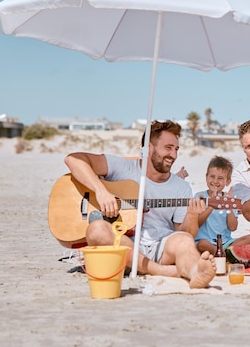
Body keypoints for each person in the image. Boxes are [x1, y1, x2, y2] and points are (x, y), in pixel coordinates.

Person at [64, 119, 216, 288]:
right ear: (149, 148)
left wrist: (193, 215)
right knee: (96, 229)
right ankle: (160, 271)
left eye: (176, 149)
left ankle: (196, 272)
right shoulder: (123, 167)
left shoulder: (181, 187)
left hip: (160, 245)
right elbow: (73, 159)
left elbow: (185, 233)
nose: (173, 155)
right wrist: (101, 191)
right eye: (168, 148)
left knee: (185, 241)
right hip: (122, 243)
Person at [194, 156, 238, 255]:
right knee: (202, 244)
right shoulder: (199, 196)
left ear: (228, 181)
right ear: (206, 177)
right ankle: (222, 255)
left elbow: (233, 227)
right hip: (205, 242)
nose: (215, 181)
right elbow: (197, 223)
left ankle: (222, 252)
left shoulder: (228, 199)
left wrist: (229, 207)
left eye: (220, 178)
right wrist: (212, 205)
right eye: (212, 176)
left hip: (225, 242)